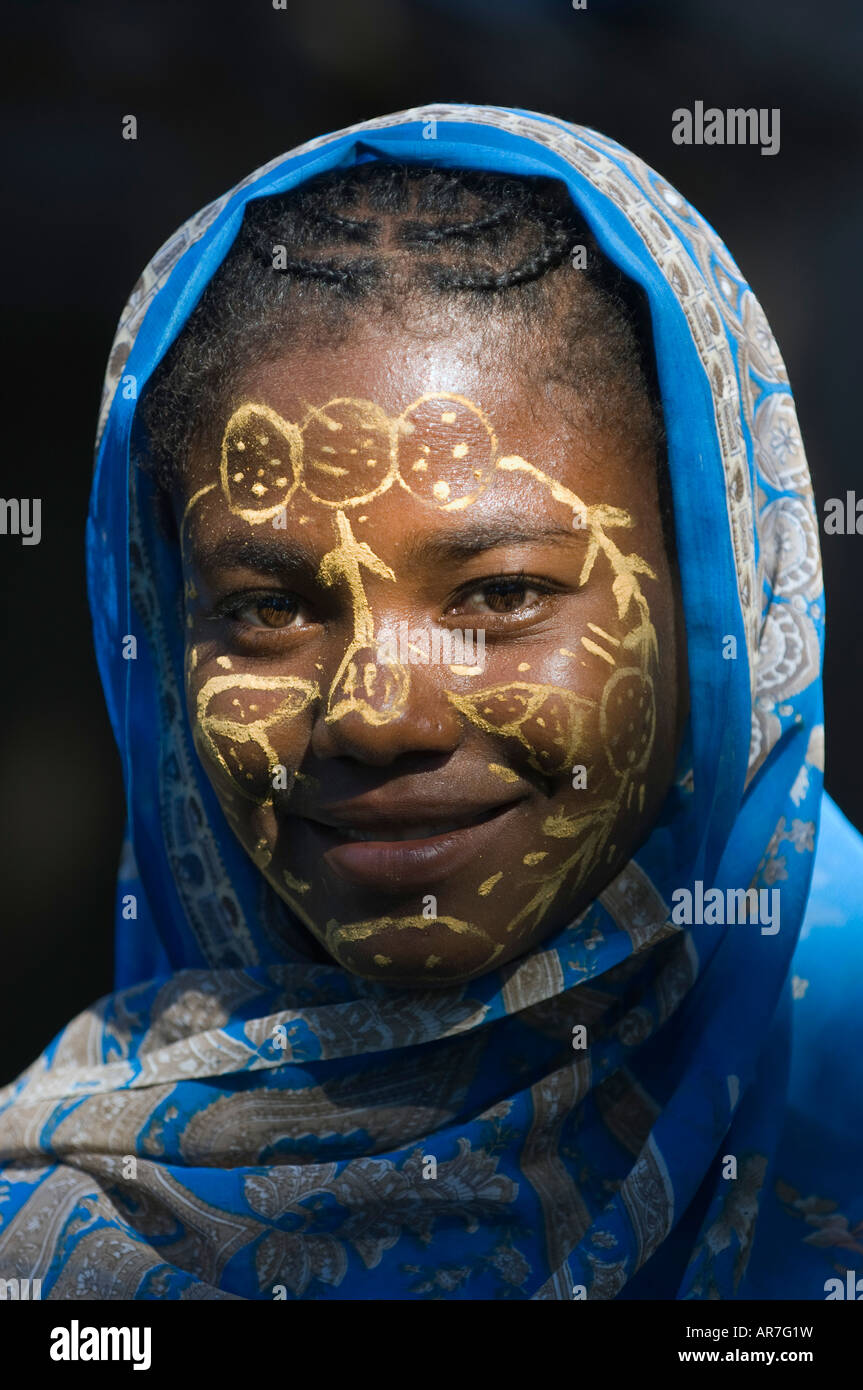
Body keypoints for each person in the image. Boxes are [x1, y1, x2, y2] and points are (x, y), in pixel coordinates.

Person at [0, 103, 860, 1301]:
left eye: (500, 593)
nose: (376, 714)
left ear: (716, 596)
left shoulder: (840, 1071)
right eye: (266, 609)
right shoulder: (73, 1226)